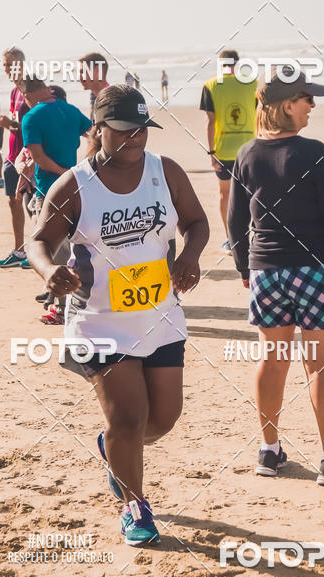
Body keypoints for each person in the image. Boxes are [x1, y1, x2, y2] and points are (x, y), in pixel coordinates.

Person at [26, 85, 209, 544]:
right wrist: (49, 270)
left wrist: (190, 256)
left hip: (160, 315)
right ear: (99, 129)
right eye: (124, 132)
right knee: (129, 417)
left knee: (162, 419)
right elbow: (38, 240)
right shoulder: (76, 184)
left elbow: (197, 222)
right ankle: (135, 507)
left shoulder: (164, 172)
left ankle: (113, 449)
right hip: (100, 320)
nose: (135, 140)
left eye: (142, 131)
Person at [228, 68, 324, 486]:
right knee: (321, 366)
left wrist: (243, 267)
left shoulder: (247, 154)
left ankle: (269, 452)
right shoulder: (313, 153)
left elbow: (234, 221)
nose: (313, 105)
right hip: (315, 270)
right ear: (287, 105)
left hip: (266, 271)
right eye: (306, 98)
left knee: (273, 359)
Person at [20, 77, 92, 325]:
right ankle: (67, 300)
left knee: (51, 247)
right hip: (78, 189)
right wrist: (84, 166)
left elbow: (37, 157)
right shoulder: (70, 109)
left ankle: (61, 308)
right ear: (47, 90)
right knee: (75, 244)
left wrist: (64, 174)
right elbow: (94, 133)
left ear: (27, 95)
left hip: (50, 191)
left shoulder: (31, 117)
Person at [200, 49, 256, 254]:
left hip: (223, 150)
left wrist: (211, 152)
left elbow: (210, 122)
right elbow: (260, 114)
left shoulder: (210, 85)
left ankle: (231, 240)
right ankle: (254, 236)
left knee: (225, 194)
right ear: (238, 63)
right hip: (250, 148)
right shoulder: (252, 83)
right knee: (252, 194)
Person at [0, 48, 30, 269]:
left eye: (10, 64)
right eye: (4, 65)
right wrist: (4, 123)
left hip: (29, 156)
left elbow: (36, 124)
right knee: (13, 203)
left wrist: (9, 124)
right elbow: (17, 124)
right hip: (12, 154)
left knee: (34, 206)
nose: (7, 69)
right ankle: (19, 251)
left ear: (22, 64)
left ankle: (42, 253)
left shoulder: (31, 89)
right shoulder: (15, 91)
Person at [78, 52, 109, 122]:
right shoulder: (94, 94)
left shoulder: (110, 100)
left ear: (98, 71)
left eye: (83, 72)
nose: (79, 77)